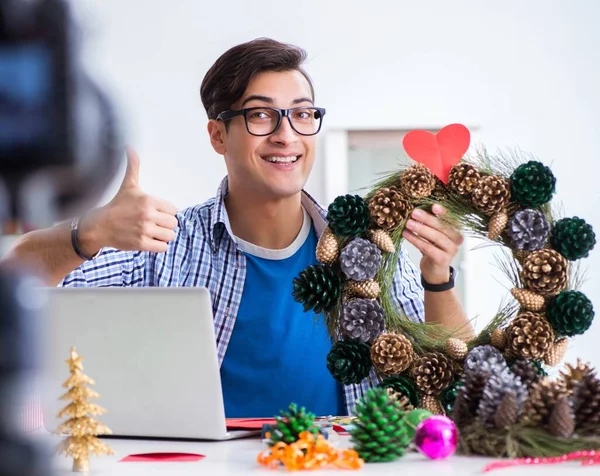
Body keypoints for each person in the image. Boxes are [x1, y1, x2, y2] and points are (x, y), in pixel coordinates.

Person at [5, 38, 471, 417]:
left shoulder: (364, 250)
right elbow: (16, 280)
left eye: (303, 113)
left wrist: (439, 275)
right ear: (217, 135)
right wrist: (88, 232)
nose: (286, 134)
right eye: (261, 114)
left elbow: (454, 377)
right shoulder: (163, 244)